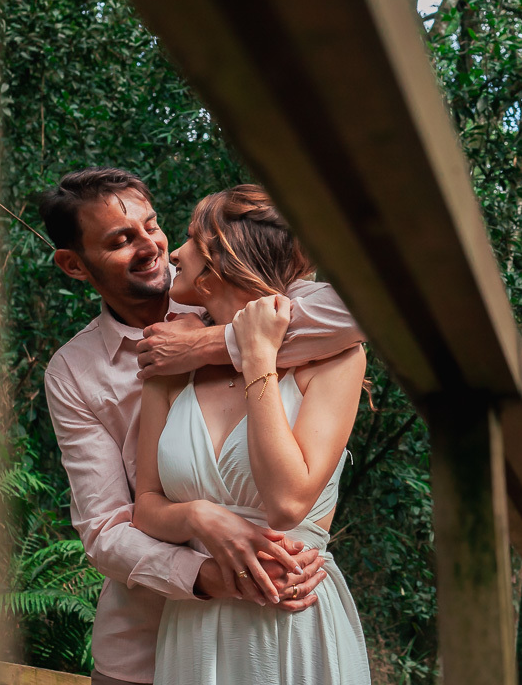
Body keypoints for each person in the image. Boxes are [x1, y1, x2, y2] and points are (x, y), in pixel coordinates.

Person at [38, 167, 365, 685]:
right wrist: (211, 566)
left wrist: (206, 345)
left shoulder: (240, 302)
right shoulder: (75, 372)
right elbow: (104, 529)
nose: (155, 247)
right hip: (149, 639)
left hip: (288, 617)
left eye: (152, 226)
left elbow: (369, 310)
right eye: (121, 240)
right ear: (73, 264)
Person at [133, 184, 371, 684]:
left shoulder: (337, 360)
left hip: (293, 620)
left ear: (224, 259)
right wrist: (199, 517)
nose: (174, 253)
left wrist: (258, 355)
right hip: (197, 623)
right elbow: (146, 508)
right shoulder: (171, 364)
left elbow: (286, 503)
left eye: (193, 239)